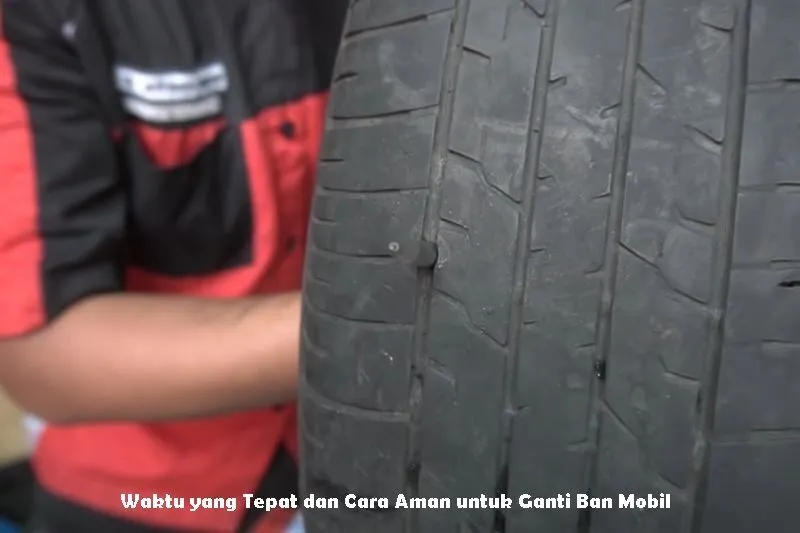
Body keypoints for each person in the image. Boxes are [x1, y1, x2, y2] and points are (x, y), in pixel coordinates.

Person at [0, 1, 347, 531]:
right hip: (138, 494)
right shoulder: (35, 16)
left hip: (367, 462)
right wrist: (374, 330)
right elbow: (43, 352)